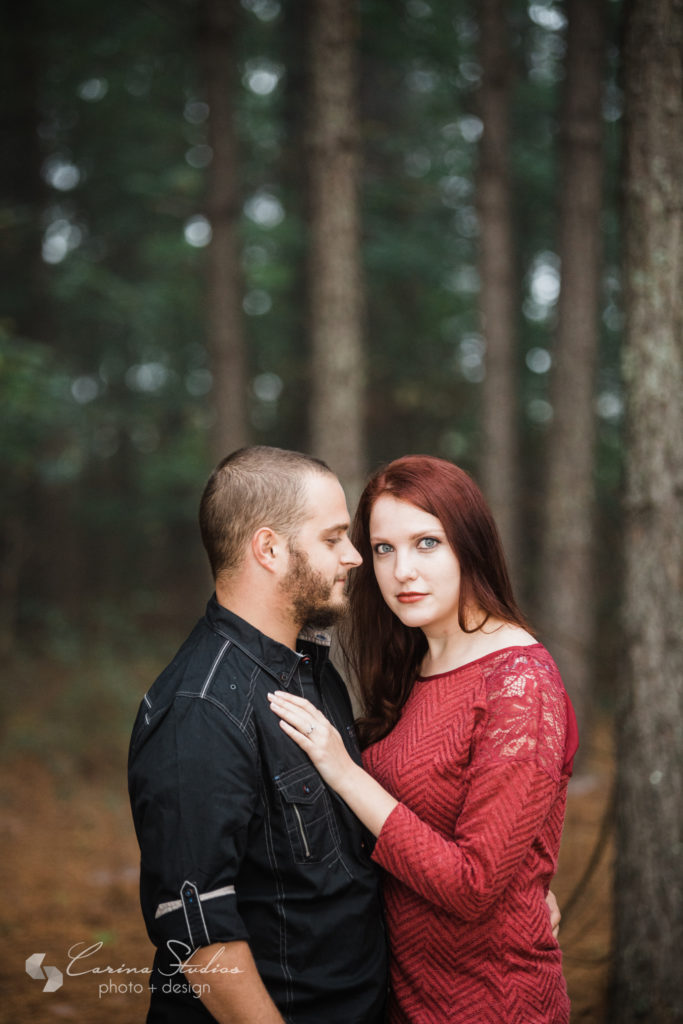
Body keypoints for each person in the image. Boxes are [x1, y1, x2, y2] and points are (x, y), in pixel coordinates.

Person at [268, 454, 579, 1024]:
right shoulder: (419, 665)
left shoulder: (519, 684)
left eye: (427, 543)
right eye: (384, 549)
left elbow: (473, 884)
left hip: (493, 1002)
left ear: (471, 545)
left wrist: (345, 772)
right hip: (403, 997)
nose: (402, 570)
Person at [128, 446, 388, 1024]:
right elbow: (199, 937)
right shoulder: (199, 711)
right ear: (269, 549)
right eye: (332, 539)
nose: (353, 557)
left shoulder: (309, 669)